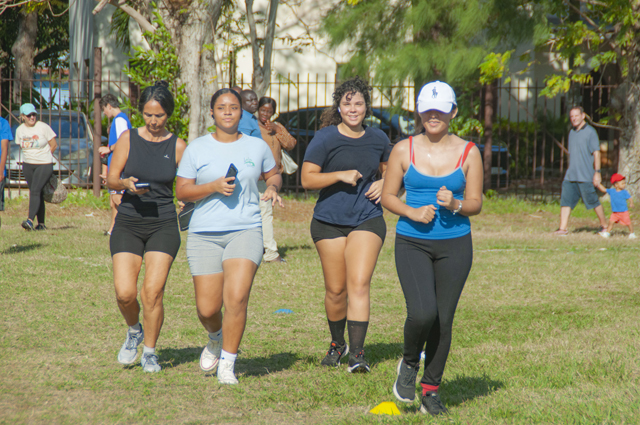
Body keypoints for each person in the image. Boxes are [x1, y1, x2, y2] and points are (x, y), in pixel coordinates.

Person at [380, 81, 483, 416]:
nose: (434, 116)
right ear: (420, 113)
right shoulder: (402, 149)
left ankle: (431, 391)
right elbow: (388, 196)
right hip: (412, 241)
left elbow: (476, 203)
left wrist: (455, 204)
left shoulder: (469, 152)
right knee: (422, 312)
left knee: (443, 319)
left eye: (440, 110)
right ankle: (410, 363)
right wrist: (411, 212)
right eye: (428, 111)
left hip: (456, 244)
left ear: (453, 112)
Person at [175, 88, 283, 385]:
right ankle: (215, 337)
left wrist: (272, 187)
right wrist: (212, 186)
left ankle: (227, 364)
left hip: (246, 229)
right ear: (212, 112)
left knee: (236, 298)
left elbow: (273, 173)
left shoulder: (256, 146)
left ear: (241, 112)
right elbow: (182, 191)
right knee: (207, 308)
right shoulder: (197, 148)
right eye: (221, 107)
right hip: (204, 233)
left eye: (233, 107)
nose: (227, 112)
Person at [301, 76, 390, 373]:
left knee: (359, 284)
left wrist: (386, 183)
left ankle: (358, 354)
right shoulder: (325, 138)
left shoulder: (378, 138)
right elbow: (307, 179)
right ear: (338, 107)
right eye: (347, 103)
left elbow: (394, 172)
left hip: (367, 218)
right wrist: (339, 175)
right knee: (336, 290)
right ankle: (338, 344)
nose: (353, 109)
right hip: (328, 221)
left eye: (359, 103)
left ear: (367, 107)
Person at [106, 81, 187, 373]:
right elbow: (111, 178)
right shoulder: (128, 138)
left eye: (159, 115)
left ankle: (150, 353)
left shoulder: (179, 146)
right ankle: (134, 331)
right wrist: (124, 183)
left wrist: (185, 201)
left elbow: (187, 185)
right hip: (128, 220)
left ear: (169, 114)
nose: (153, 121)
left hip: (163, 224)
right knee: (125, 293)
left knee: (151, 292)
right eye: (148, 115)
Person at [554, 106, 607, 235]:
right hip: (571, 175)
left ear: (583, 116)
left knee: (593, 201)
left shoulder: (590, 132)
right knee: (566, 201)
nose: (574, 118)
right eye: (571, 116)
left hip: (585, 176)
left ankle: (604, 226)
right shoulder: (571, 132)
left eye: (576, 115)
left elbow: (596, 153)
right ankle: (562, 228)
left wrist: (597, 173)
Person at [257, 96, 297, 263]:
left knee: (265, 212)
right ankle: (269, 252)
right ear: (258, 109)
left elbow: (291, 144)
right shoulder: (253, 127)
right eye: (263, 110)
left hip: (271, 179)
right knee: (262, 213)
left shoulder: (276, 126)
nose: (266, 114)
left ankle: (266, 250)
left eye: (269, 112)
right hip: (257, 177)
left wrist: (277, 130)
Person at [15, 103, 57, 231]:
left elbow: (54, 145)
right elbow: (21, 146)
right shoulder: (20, 130)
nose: (32, 117)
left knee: (35, 190)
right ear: (23, 116)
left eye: (33, 114)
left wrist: (45, 156)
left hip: (44, 164)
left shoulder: (43, 127)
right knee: (37, 192)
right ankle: (41, 224)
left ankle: (30, 220)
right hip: (28, 165)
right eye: (29, 115)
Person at [99, 94, 132, 236]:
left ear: (109, 106)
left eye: (104, 109)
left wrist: (109, 149)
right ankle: (113, 229)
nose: (104, 113)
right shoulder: (119, 120)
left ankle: (128, 225)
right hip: (116, 165)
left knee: (118, 198)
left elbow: (124, 141)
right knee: (114, 200)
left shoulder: (119, 120)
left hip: (120, 166)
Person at [597, 173, 635, 238]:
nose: (624, 185)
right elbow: (604, 189)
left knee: (628, 223)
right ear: (616, 185)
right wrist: (598, 184)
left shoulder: (624, 192)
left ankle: (632, 233)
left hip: (624, 212)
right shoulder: (612, 191)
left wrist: (631, 203)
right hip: (615, 212)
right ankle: (607, 233)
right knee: (611, 222)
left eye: (624, 183)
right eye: (622, 183)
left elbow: (630, 198)